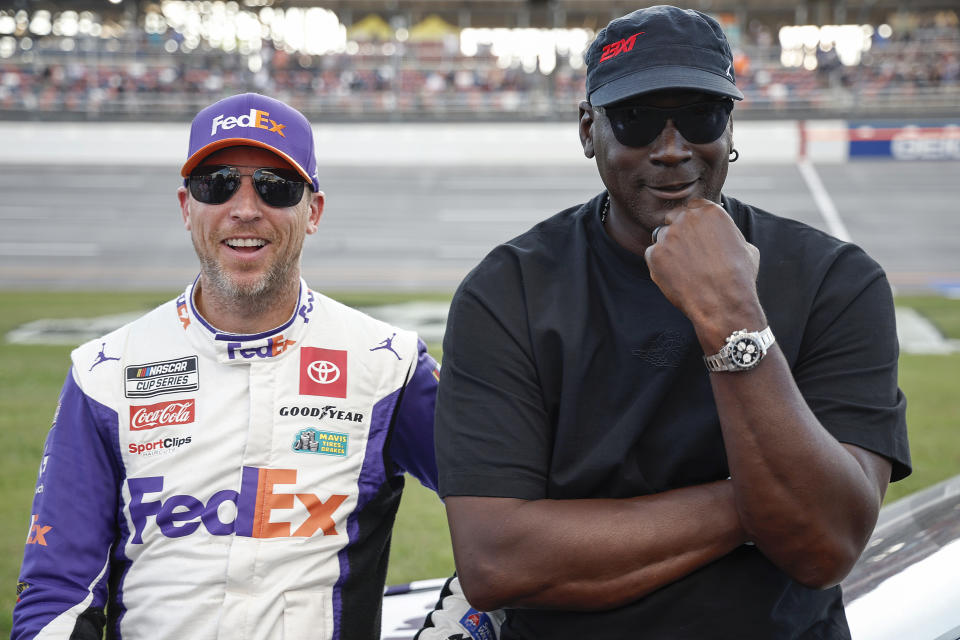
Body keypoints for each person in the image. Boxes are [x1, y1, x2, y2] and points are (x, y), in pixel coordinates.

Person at [434, 6, 911, 639]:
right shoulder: (507, 292)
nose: (671, 148)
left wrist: (731, 313)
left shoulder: (837, 281)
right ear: (587, 130)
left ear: (730, 125)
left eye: (699, 115)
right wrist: (763, 504)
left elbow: (825, 546)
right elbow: (496, 561)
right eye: (634, 120)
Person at [13, 93, 441, 640]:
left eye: (275, 187)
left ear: (313, 212)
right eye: (216, 183)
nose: (244, 208)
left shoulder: (390, 366)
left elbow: (509, 507)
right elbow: (57, 594)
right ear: (186, 206)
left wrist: (462, 622)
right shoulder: (104, 373)